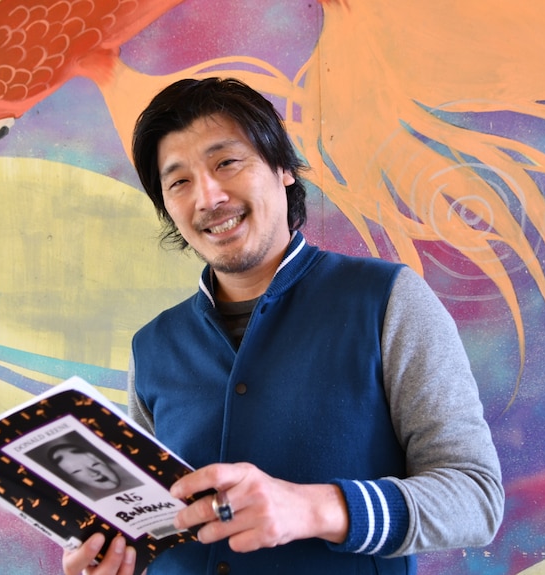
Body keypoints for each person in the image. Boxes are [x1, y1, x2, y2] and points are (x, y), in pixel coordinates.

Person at [62, 77, 504, 575]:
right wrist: (116, 560)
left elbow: (475, 497)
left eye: (226, 162)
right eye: (179, 181)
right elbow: (155, 524)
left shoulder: (387, 299)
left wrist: (314, 509)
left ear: (283, 170)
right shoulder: (152, 346)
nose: (207, 196)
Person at [48, 437, 139, 499]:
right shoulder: (82, 496)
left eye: (95, 464)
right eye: (76, 471)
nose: (94, 473)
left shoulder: (135, 471)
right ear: (72, 478)